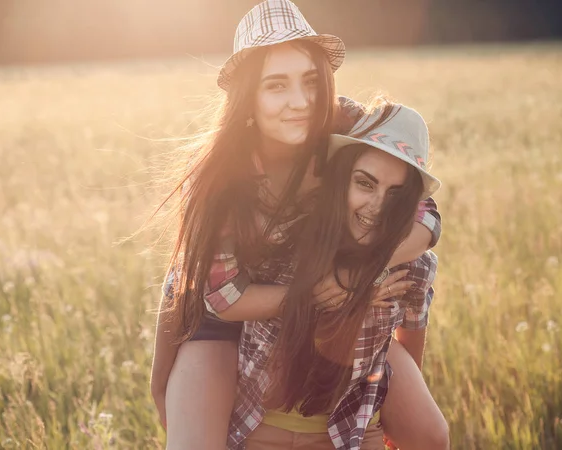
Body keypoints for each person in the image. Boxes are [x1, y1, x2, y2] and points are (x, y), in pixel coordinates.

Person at [149, 1, 444, 449]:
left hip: (339, 306)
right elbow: (222, 298)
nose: (300, 101)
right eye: (276, 86)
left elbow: (420, 207)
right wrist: (312, 293)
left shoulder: (346, 123)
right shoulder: (222, 177)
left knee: (431, 434)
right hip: (228, 316)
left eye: (310, 81)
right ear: (248, 98)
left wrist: (354, 277)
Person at [229, 102, 448, 450]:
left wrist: (396, 412)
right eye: (365, 183)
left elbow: (412, 338)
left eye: (395, 195)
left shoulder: (413, 264)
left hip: (350, 430)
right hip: (261, 429)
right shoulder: (286, 246)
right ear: (340, 178)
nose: (377, 207)